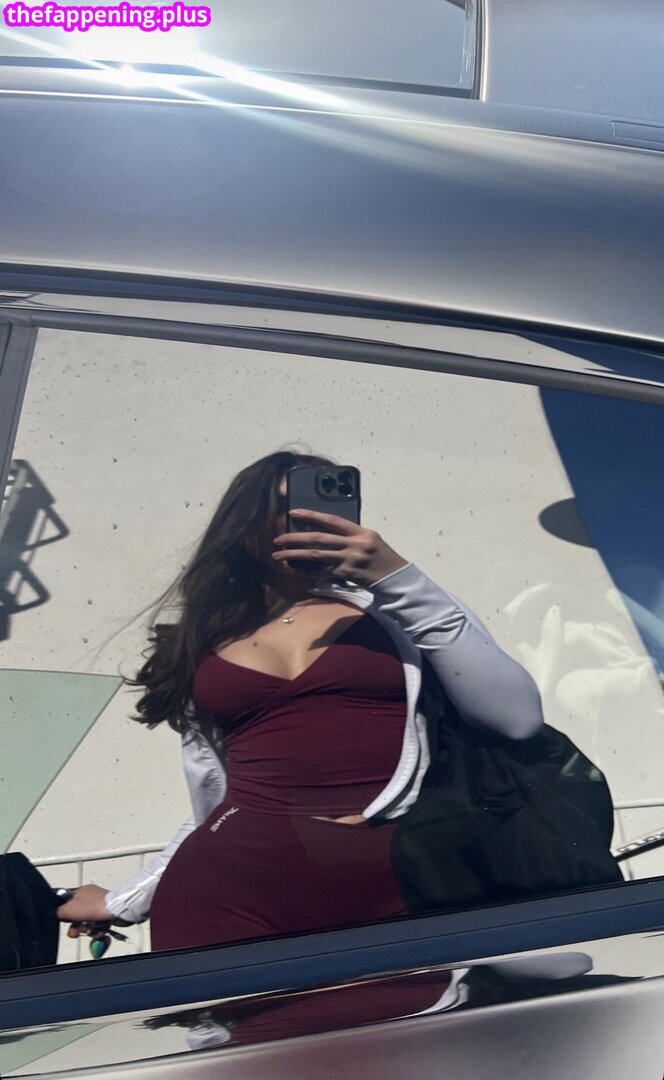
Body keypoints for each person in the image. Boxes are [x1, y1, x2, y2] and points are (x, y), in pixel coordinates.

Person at [57, 450, 543, 950]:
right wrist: (126, 899)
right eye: (288, 507)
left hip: (396, 883)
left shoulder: (397, 607)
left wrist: (396, 576)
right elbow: (219, 800)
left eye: (322, 504)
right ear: (246, 523)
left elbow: (517, 720)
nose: (309, 518)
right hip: (228, 891)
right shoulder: (203, 640)